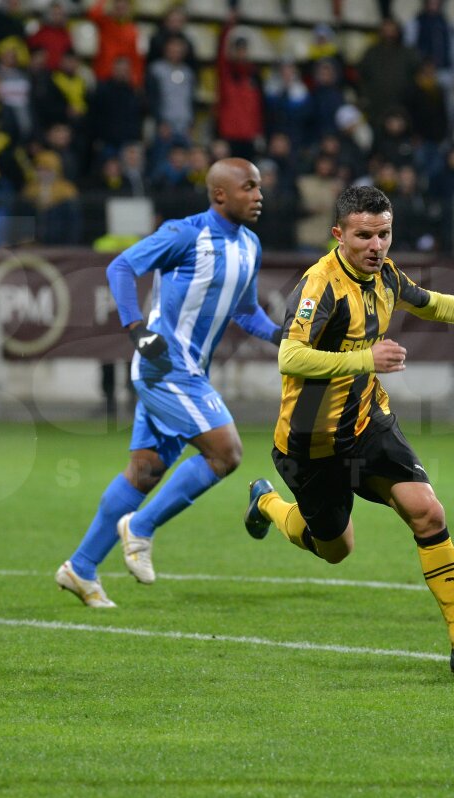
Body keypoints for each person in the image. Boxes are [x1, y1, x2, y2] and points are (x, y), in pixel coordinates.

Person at [243, 186, 454, 677]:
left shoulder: (386, 274)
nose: (375, 245)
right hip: (312, 445)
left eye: (384, 234)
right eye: (363, 235)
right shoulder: (319, 286)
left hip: (369, 425)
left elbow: (432, 303)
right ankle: (266, 502)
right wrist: (366, 358)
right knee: (335, 548)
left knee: (428, 513)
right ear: (339, 235)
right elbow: (289, 355)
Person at [55, 158, 281, 608]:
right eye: (248, 186)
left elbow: (245, 310)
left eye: (259, 187)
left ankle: (80, 568)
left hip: (191, 372)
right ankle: (140, 527)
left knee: (144, 472)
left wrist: (281, 335)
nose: (259, 195)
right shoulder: (186, 233)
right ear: (220, 195)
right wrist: (137, 329)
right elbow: (121, 267)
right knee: (227, 452)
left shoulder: (250, 245)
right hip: (164, 367)